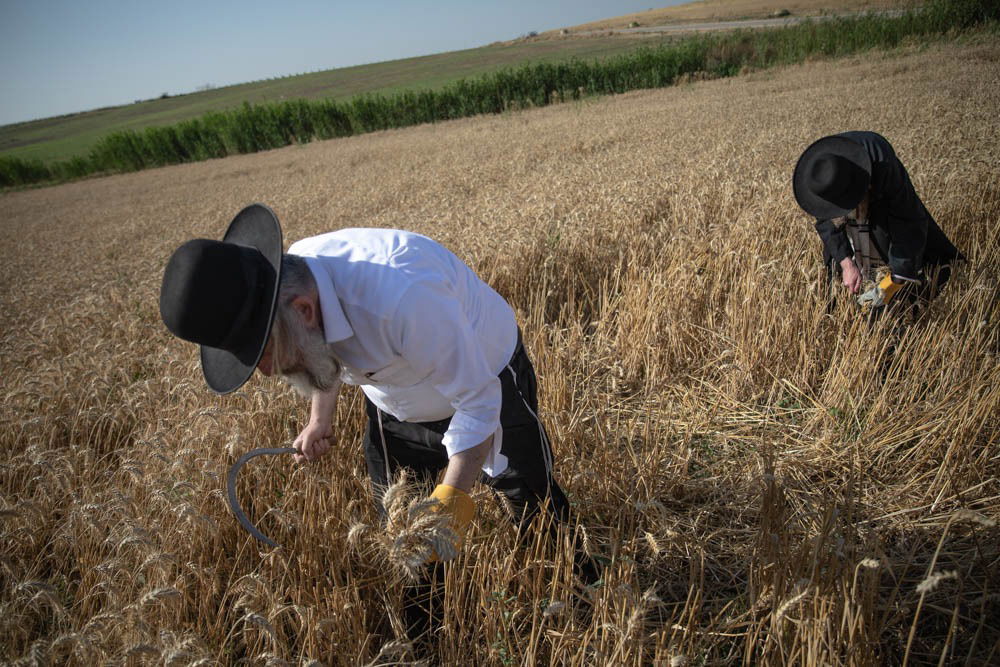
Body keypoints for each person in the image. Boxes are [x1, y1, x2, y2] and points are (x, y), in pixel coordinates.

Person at [159, 203, 595, 638]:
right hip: (393, 399)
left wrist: (451, 499)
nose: (268, 371)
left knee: (531, 502)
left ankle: (584, 605)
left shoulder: (404, 296)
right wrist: (319, 417)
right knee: (405, 525)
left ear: (303, 310)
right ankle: (424, 634)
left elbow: (480, 403)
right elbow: (320, 348)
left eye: (265, 351)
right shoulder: (297, 285)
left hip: (485, 376)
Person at [792, 131, 963, 315]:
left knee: (902, 288)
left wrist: (892, 282)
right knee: (838, 281)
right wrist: (846, 264)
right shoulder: (819, 175)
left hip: (882, 211)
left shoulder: (882, 163)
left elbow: (908, 221)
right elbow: (826, 223)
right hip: (850, 207)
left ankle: (899, 311)